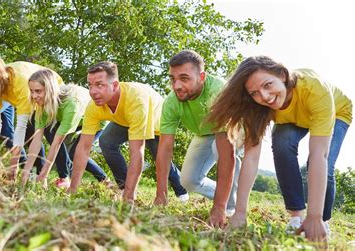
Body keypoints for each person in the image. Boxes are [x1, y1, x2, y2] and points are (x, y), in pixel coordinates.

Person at [208, 56, 352, 242]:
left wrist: (314, 216)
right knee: (282, 143)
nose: (264, 97)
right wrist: (240, 212)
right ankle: (297, 216)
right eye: (254, 93)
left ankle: (321, 221)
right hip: (293, 118)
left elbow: (319, 155)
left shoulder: (315, 90)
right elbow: (251, 158)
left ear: (282, 75)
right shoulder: (260, 107)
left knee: (323, 164)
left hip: (338, 112)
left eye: (268, 85)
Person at [67, 61, 188, 202]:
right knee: (106, 142)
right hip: (125, 118)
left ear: (115, 85)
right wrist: (73, 189)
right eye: (90, 85)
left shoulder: (135, 99)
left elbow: (136, 151)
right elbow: (83, 147)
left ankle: (182, 192)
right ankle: (125, 186)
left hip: (156, 119)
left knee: (159, 157)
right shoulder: (94, 106)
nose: (93, 92)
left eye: (99, 85)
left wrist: (129, 198)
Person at [153, 50, 240, 227]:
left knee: (220, 150)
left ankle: (230, 205)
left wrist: (218, 207)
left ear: (201, 76)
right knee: (188, 180)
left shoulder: (218, 92)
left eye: (184, 78)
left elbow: (226, 153)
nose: (176, 85)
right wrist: (161, 194)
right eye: (173, 79)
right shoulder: (171, 102)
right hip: (203, 133)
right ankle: (224, 194)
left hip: (233, 131)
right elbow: (165, 148)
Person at [0, 53, 63, 176]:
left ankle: (61, 176)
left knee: (50, 134)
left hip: (50, 91)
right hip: (27, 98)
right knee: (30, 135)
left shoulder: (20, 82)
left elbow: (20, 127)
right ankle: (33, 174)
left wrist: (12, 168)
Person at [21, 69, 108, 188]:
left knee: (76, 152)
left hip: (96, 119)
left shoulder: (70, 104)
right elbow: (36, 141)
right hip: (74, 116)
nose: (34, 96)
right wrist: (25, 173)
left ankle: (104, 180)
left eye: (38, 91)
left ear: (50, 90)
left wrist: (44, 175)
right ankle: (65, 177)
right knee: (50, 130)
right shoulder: (43, 104)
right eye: (31, 91)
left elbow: (56, 144)